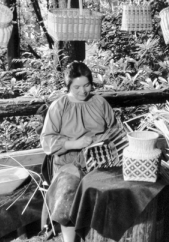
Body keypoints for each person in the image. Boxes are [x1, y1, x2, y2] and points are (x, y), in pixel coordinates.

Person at [40, 62, 122, 242]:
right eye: (76, 87)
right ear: (68, 86)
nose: (82, 91)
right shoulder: (59, 106)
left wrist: (104, 140)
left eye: (87, 85)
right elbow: (46, 141)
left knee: (118, 188)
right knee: (69, 188)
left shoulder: (99, 102)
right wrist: (73, 143)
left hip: (101, 159)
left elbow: (115, 129)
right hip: (68, 162)